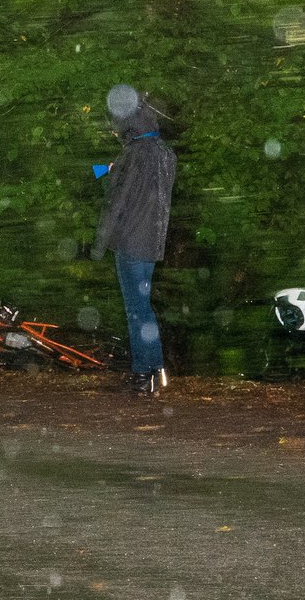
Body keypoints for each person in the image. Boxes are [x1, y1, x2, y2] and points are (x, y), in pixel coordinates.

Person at [91, 85, 176, 396]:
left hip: (130, 243)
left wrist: (100, 244)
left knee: (135, 310)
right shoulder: (165, 154)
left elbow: (116, 200)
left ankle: (142, 376)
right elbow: (148, 193)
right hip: (153, 242)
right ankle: (157, 371)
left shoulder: (132, 154)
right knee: (145, 308)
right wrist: (109, 171)